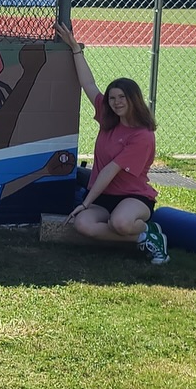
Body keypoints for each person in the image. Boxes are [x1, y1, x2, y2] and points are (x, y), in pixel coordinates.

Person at [54, 22, 168, 264]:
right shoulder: (108, 117)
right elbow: (89, 84)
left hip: (133, 198)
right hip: (105, 196)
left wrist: (85, 202)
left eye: (122, 97)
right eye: (112, 97)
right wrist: (75, 48)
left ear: (133, 99)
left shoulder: (142, 135)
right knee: (83, 225)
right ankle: (143, 238)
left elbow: (109, 170)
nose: (116, 102)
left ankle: (147, 231)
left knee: (121, 223)